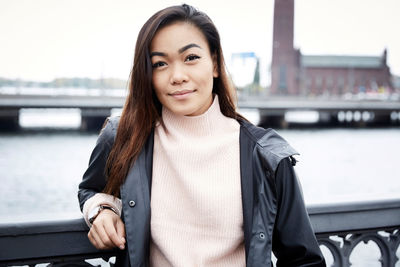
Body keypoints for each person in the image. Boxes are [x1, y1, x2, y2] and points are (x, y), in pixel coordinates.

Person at [78, 4, 326, 267]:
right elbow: (91, 189)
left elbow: (304, 260)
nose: (177, 76)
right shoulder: (124, 138)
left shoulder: (266, 157)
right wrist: (102, 210)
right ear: (148, 75)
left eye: (191, 58)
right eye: (160, 64)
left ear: (216, 64)